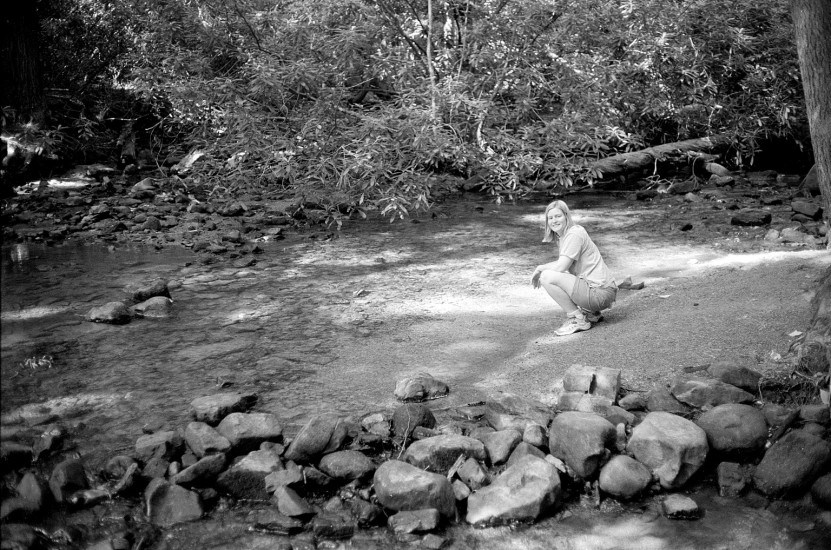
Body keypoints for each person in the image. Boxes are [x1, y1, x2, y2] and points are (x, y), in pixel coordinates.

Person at [531, 200, 617, 336]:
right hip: (603, 291)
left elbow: (561, 266)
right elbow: (565, 266)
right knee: (552, 274)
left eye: (558, 216)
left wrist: (540, 268)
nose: (554, 220)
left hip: (599, 294)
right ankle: (591, 313)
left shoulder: (574, 234)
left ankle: (578, 319)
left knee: (546, 277)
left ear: (566, 216)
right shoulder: (565, 236)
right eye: (550, 218)